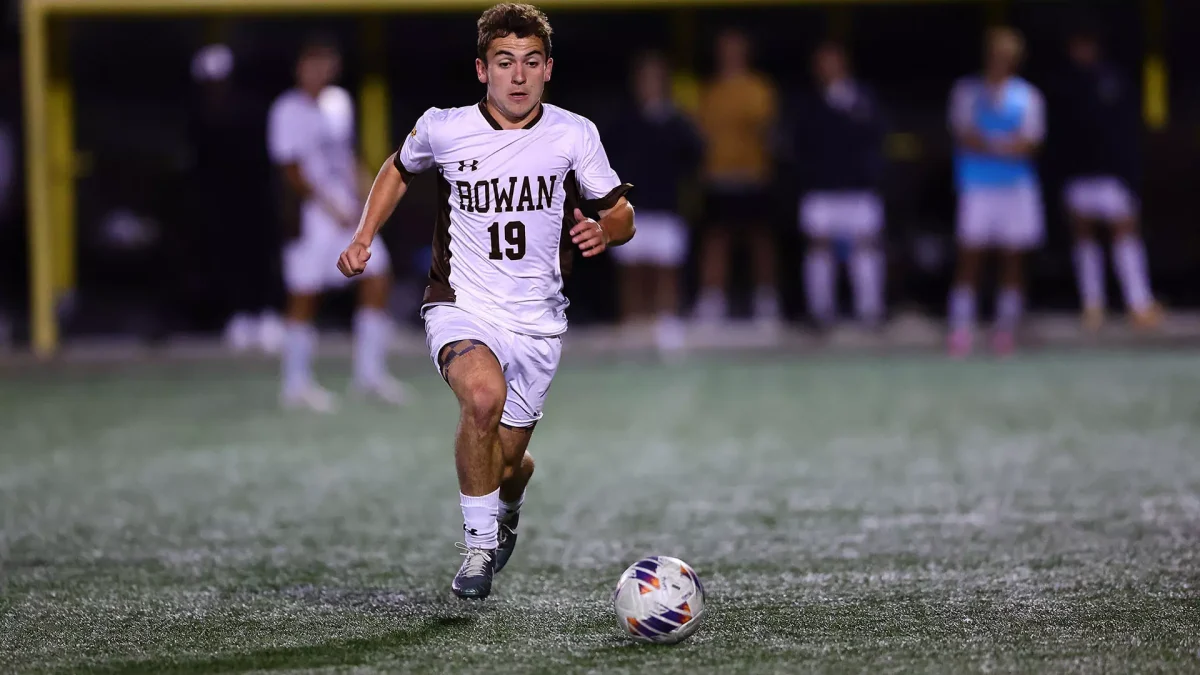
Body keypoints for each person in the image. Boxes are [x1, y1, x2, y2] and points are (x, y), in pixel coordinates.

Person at [337, 3, 634, 599]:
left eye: (530, 62)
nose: (517, 76)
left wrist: (606, 232)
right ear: (482, 70)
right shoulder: (444, 127)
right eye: (504, 62)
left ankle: (512, 493)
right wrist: (364, 234)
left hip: (538, 322)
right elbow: (398, 169)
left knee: (503, 465)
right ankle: (477, 548)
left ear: (548, 69)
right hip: (459, 303)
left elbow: (620, 213)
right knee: (481, 398)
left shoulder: (574, 134)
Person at [267, 35, 409, 412]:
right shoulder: (287, 110)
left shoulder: (338, 103)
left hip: (346, 213)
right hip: (311, 217)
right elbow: (291, 170)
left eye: (325, 63)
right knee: (305, 293)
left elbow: (345, 155)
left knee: (378, 276)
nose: (318, 71)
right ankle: (295, 383)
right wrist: (330, 207)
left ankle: (370, 373)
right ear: (299, 67)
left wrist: (367, 195)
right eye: (312, 63)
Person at [946, 27, 1046, 357]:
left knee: (1013, 257)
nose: (999, 61)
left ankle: (1005, 327)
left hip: (1016, 187)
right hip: (977, 186)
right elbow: (964, 135)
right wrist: (1002, 144)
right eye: (994, 55)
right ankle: (961, 326)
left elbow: (1030, 143)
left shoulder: (1028, 96)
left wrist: (990, 144)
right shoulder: (966, 91)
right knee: (970, 256)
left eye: (1006, 57)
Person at [1054, 23, 1160, 331]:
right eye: (1077, 43)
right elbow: (1059, 137)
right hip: (1077, 174)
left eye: (1087, 43)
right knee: (1084, 237)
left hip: (1113, 174)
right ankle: (1092, 305)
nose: (1082, 50)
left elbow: (1128, 132)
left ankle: (1138, 303)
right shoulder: (1063, 84)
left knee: (1125, 233)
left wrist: (1129, 174)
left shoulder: (1116, 80)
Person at [605, 50, 704, 355]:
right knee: (633, 273)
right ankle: (634, 331)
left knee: (666, 271)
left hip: (667, 208)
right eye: (643, 79)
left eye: (654, 79)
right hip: (632, 210)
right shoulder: (624, 121)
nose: (648, 84)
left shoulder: (678, 122)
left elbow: (695, 157)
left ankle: (667, 330)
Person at [792, 40, 887, 331]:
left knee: (865, 248)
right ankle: (821, 312)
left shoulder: (865, 99)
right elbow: (800, 146)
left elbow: (877, 138)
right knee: (819, 249)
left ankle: (870, 311)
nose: (827, 68)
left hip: (860, 189)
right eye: (822, 63)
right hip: (821, 190)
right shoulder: (809, 105)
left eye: (832, 61)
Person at [694, 28, 781, 327]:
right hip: (719, 177)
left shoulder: (759, 89)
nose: (729, 53)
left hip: (753, 176)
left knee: (760, 239)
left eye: (735, 48)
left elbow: (767, 130)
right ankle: (712, 302)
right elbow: (701, 136)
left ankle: (766, 302)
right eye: (724, 48)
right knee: (717, 239)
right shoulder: (710, 91)